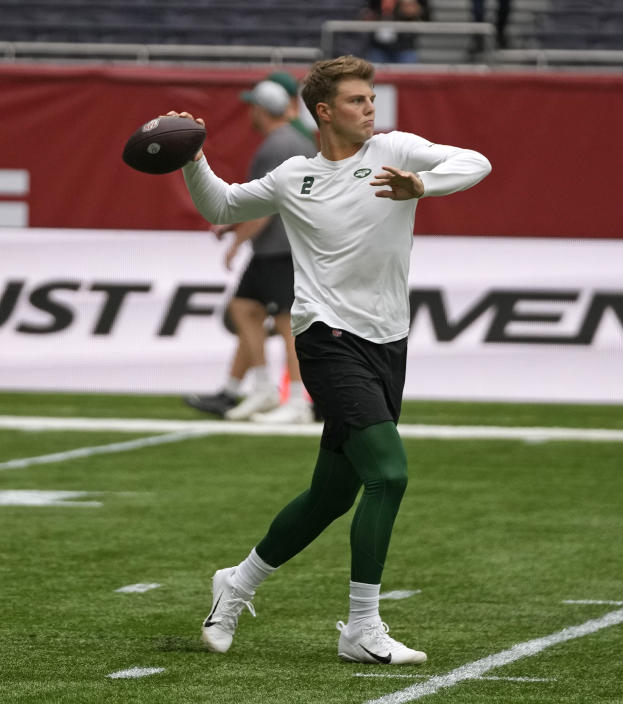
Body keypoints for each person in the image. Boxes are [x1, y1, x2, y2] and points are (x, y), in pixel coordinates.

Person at [169, 55, 490, 664]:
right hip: (326, 337)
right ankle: (361, 627)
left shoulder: (395, 149)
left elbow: (475, 162)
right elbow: (221, 207)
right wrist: (193, 158)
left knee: (331, 496)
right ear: (324, 111)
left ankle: (234, 585)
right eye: (356, 100)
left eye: (371, 98)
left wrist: (422, 184)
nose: (371, 108)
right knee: (389, 475)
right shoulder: (294, 175)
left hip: (387, 341)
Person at [183, 79, 317, 423]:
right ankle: (261, 388)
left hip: (283, 247)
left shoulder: (278, 144)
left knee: (289, 324)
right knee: (245, 308)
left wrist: (238, 240)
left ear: (260, 109)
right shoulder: (293, 140)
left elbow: (268, 206)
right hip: (281, 245)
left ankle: (299, 401)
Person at [363, 0, 428, 64]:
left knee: (407, 69)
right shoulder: (375, 3)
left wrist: (415, 12)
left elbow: (426, 16)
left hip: (404, 46)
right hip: (378, 46)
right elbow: (366, 11)